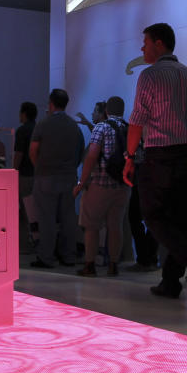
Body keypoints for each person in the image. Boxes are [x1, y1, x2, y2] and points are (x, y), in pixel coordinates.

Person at [125, 22, 187, 302]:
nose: (142, 48)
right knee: (179, 217)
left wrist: (128, 157)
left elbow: (137, 120)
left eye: (146, 42)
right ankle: (171, 282)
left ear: (159, 43)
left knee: (151, 213)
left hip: (160, 153)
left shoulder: (149, 76)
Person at [74, 96, 131, 276]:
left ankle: (89, 265)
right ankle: (113, 265)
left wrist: (81, 182)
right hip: (123, 185)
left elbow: (92, 156)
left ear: (106, 111)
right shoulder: (130, 128)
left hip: (101, 183)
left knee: (91, 225)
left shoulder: (102, 127)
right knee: (116, 226)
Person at [29, 89, 85, 268]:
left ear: (51, 103)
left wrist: (39, 167)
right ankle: (68, 256)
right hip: (68, 177)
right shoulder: (73, 126)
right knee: (68, 218)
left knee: (47, 219)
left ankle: (46, 257)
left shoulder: (43, 124)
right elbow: (80, 152)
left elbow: (33, 150)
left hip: (46, 176)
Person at [12, 101, 39, 246]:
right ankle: (36, 240)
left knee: (23, 210)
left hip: (24, 176)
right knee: (35, 211)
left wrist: (13, 172)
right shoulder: (39, 128)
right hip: (38, 175)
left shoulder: (22, 130)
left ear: (24, 113)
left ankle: (24, 244)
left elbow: (19, 153)